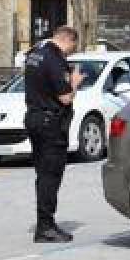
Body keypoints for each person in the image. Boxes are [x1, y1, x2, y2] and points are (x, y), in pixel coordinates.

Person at [24, 25, 83, 243]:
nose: (69, 53)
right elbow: (65, 97)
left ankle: (45, 223)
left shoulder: (34, 53)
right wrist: (74, 83)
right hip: (51, 123)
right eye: (72, 48)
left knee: (43, 174)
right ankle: (45, 227)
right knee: (51, 175)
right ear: (68, 40)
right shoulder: (54, 59)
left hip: (35, 118)